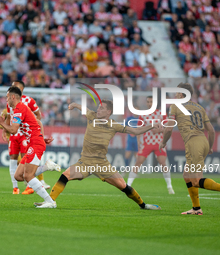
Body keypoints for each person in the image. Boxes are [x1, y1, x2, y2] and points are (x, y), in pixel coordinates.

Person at [35, 100, 162, 210]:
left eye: (101, 108)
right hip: (85, 162)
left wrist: (151, 126)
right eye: (98, 107)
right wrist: (74, 104)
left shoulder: (113, 125)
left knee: (123, 186)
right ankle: (50, 202)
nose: (98, 109)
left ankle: (143, 205)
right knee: (65, 175)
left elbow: (135, 130)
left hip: (102, 163)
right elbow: (83, 108)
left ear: (108, 112)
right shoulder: (92, 116)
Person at [160, 83, 220, 215]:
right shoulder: (199, 107)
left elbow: (169, 128)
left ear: (181, 94)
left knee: (196, 180)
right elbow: (211, 130)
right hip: (202, 141)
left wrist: (163, 142)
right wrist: (209, 147)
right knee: (187, 175)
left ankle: (197, 208)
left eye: (177, 93)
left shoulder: (175, 106)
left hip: (193, 143)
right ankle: (196, 208)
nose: (175, 95)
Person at [0, 86, 58, 208]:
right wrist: (42, 137)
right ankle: (46, 167)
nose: (6, 99)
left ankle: (50, 202)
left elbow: (13, 130)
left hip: (35, 144)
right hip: (34, 142)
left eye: (7, 97)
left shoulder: (19, 108)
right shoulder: (19, 108)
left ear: (13, 97)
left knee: (28, 176)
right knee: (18, 175)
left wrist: (2, 123)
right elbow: (38, 122)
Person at [127, 96, 174, 194]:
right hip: (147, 142)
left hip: (159, 143)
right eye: (148, 101)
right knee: (138, 162)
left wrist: (159, 130)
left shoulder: (161, 113)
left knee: (163, 163)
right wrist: (138, 140)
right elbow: (139, 129)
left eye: (151, 101)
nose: (149, 103)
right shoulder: (143, 114)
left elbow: (167, 127)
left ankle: (169, 186)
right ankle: (128, 185)